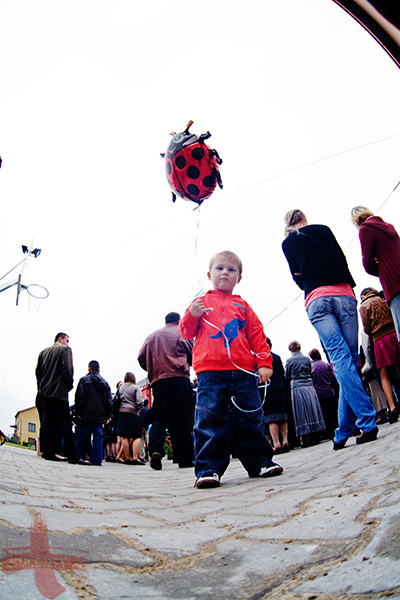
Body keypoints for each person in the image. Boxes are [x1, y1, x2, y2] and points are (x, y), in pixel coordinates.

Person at [179, 250, 283, 489]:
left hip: (244, 373)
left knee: (250, 418)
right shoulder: (200, 304)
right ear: (209, 274)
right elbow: (185, 332)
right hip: (209, 373)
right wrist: (191, 315)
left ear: (239, 278)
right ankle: (208, 469)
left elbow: (257, 336)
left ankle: (260, 462)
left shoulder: (243, 306)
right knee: (209, 420)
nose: (225, 272)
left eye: (231, 269)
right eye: (220, 268)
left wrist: (265, 364)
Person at [282, 210, 378, 450]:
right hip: (344, 294)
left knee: (340, 360)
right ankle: (343, 431)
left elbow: (296, 277)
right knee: (349, 361)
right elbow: (341, 259)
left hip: (317, 298)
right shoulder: (323, 230)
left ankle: (366, 421)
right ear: (304, 217)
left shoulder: (288, 243)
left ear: (288, 224)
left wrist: (309, 282)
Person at [138, 313, 195, 470]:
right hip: (180, 378)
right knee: (182, 419)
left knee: (159, 417)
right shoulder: (183, 332)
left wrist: (153, 369)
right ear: (178, 321)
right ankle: (184, 457)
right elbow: (194, 355)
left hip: (159, 381)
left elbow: (141, 358)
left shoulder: (151, 337)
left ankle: (156, 450)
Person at [351, 206, 400, 341]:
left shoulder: (365, 230)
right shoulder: (388, 226)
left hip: (393, 284)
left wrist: (382, 270)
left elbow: (367, 264)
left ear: (356, 220)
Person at [35, 332, 79, 463]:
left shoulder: (43, 352)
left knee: (48, 422)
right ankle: (72, 455)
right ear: (60, 339)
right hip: (59, 393)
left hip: (45, 393)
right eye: (67, 340)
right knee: (65, 423)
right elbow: (68, 369)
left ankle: (49, 452)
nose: (68, 343)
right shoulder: (65, 350)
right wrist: (68, 386)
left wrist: (41, 388)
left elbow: (38, 372)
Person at [359, 287, 399, 423]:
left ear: (363, 296)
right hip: (393, 334)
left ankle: (393, 408)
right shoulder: (383, 299)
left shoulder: (364, 306)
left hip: (379, 339)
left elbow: (367, 329)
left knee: (384, 376)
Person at [285, 341, 325, 447]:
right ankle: (316, 435)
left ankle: (306, 438)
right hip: (309, 385)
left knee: (301, 412)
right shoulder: (307, 359)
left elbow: (287, 375)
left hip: (297, 386)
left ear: (291, 350)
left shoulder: (289, 360)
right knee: (313, 410)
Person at [74, 360, 113, 466]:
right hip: (100, 415)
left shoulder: (83, 380)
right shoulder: (105, 383)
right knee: (98, 436)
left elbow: (79, 397)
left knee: (82, 435)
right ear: (99, 371)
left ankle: (78, 456)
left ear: (89, 369)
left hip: (86, 413)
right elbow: (109, 401)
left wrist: (78, 412)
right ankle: (96, 460)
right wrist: (108, 415)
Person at [262, 337, 290, 453]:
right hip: (280, 387)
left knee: (272, 417)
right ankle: (285, 441)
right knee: (282, 416)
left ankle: (276, 443)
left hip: (270, 388)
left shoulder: (262, 357)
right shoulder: (277, 357)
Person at [114, 372, 145, 465]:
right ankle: (135, 457)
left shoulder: (120, 388)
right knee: (137, 436)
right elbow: (140, 401)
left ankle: (128, 458)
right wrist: (138, 409)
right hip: (133, 413)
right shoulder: (136, 388)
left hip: (122, 414)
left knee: (124, 436)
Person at [308, 348, 338, 440]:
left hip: (319, 394)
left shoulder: (312, 367)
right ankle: (336, 430)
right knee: (333, 413)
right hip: (329, 391)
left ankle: (328, 434)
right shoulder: (326, 364)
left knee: (325, 415)